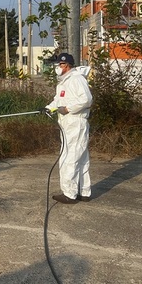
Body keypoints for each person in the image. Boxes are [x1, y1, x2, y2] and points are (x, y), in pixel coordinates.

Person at [45, 52, 93, 204]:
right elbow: (58, 100)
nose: (57, 67)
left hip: (75, 122)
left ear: (66, 65)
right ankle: (84, 192)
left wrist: (68, 109)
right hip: (68, 123)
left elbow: (86, 100)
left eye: (59, 64)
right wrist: (48, 108)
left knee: (70, 157)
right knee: (80, 158)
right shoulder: (64, 81)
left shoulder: (76, 79)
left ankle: (69, 194)